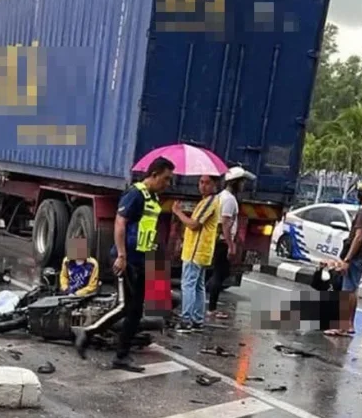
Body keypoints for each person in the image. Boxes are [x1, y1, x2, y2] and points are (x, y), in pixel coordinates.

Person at [76, 156, 175, 370]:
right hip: (126, 259)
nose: (168, 183)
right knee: (124, 306)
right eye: (166, 178)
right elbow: (120, 223)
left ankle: (122, 356)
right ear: (154, 174)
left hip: (142, 259)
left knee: (136, 311)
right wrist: (121, 255)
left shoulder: (153, 198)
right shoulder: (135, 194)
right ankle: (88, 332)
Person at [172, 175, 220, 333]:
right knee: (198, 286)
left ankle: (186, 320)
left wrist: (178, 213)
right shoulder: (205, 201)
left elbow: (194, 224)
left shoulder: (210, 202)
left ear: (215, 184)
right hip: (198, 250)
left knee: (188, 285)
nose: (203, 186)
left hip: (196, 252)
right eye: (201, 182)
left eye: (207, 183)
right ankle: (197, 320)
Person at [208, 167, 253, 319]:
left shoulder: (222, 196)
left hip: (219, 239)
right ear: (235, 182)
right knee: (219, 274)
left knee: (221, 272)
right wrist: (231, 245)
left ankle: (209, 305)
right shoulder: (229, 200)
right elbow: (225, 223)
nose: (243, 185)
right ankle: (212, 308)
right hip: (223, 240)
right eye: (242, 182)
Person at [325, 178, 362, 336]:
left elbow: (359, 237)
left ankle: (341, 327)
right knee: (353, 289)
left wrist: (347, 259)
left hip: (357, 255)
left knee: (346, 290)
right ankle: (349, 324)